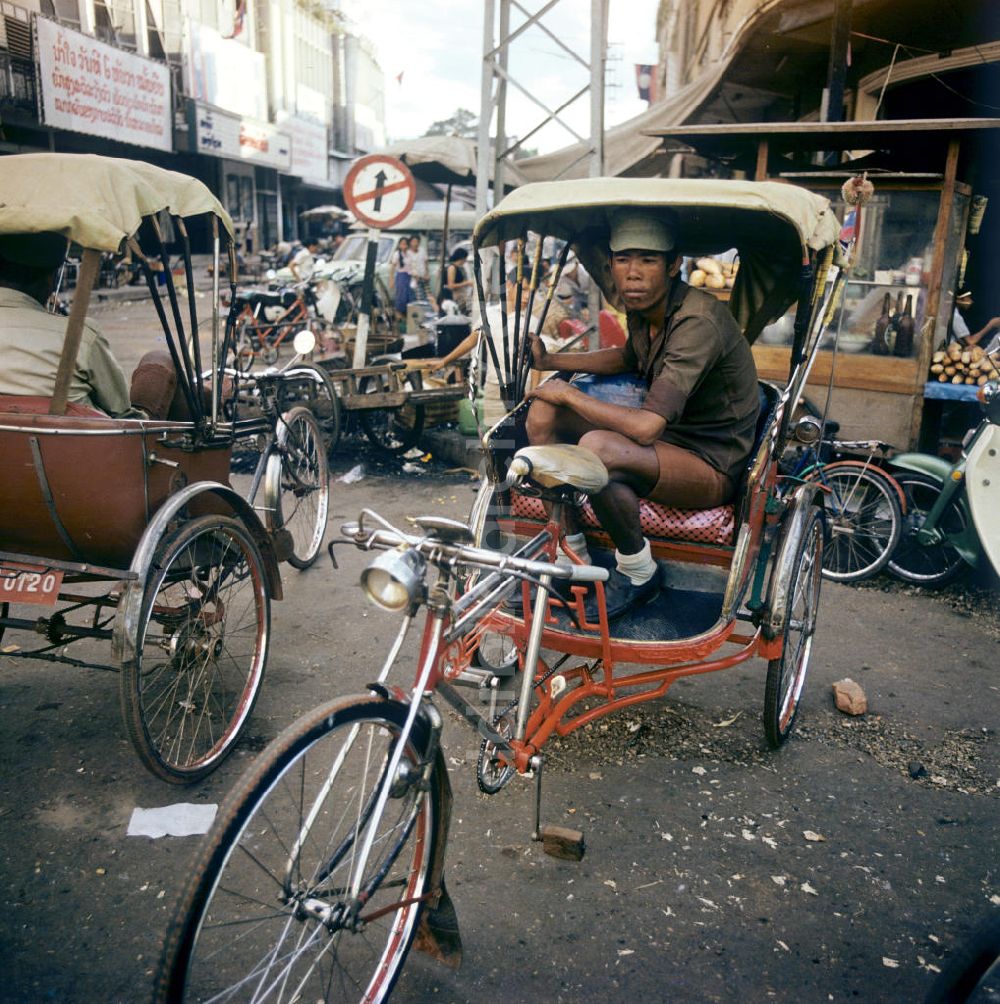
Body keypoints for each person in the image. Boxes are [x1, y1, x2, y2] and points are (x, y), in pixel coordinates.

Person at [523, 210, 760, 619]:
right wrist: (550, 361)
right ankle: (572, 552)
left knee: (596, 445)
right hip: (667, 443)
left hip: (711, 462)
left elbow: (647, 427)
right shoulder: (645, 308)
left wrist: (569, 392)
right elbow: (629, 357)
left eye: (648, 260)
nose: (632, 273)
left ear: (672, 267)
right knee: (544, 410)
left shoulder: (696, 321)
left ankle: (638, 572)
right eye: (622, 259)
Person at [0, 234, 129, 415]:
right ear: (51, 279)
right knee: (157, 364)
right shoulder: (81, 335)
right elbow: (120, 408)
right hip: (74, 441)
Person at [952, 289, 1000, 355]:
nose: (971, 301)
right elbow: (971, 341)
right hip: (953, 352)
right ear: (959, 300)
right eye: (968, 298)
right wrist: (990, 325)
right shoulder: (955, 315)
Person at [406, 235, 438, 311]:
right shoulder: (408, 252)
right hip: (414, 278)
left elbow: (425, 262)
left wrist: (427, 273)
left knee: (429, 295)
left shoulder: (422, 250)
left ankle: (432, 311)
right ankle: (421, 313)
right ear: (410, 243)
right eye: (413, 241)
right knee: (419, 297)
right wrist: (414, 275)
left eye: (417, 241)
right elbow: (408, 266)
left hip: (424, 277)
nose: (415, 243)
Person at [441, 247, 473, 313]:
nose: (465, 260)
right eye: (465, 258)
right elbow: (451, 286)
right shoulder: (452, 268)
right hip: (451, 297)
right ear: (462, 258)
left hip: (459, 297)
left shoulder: (459, 268)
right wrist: (466, 283)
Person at [390, 236, 412, 314]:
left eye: (405, 244)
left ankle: (407, 313)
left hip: (409, 276)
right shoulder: (397, 254)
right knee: (401, 295)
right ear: (399, 245)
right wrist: (391, 280)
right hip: (401, 276)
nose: (404, 246)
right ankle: (399, 312)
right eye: (402, 244)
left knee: (409, 295)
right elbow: (392, 268)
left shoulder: (410, 254)